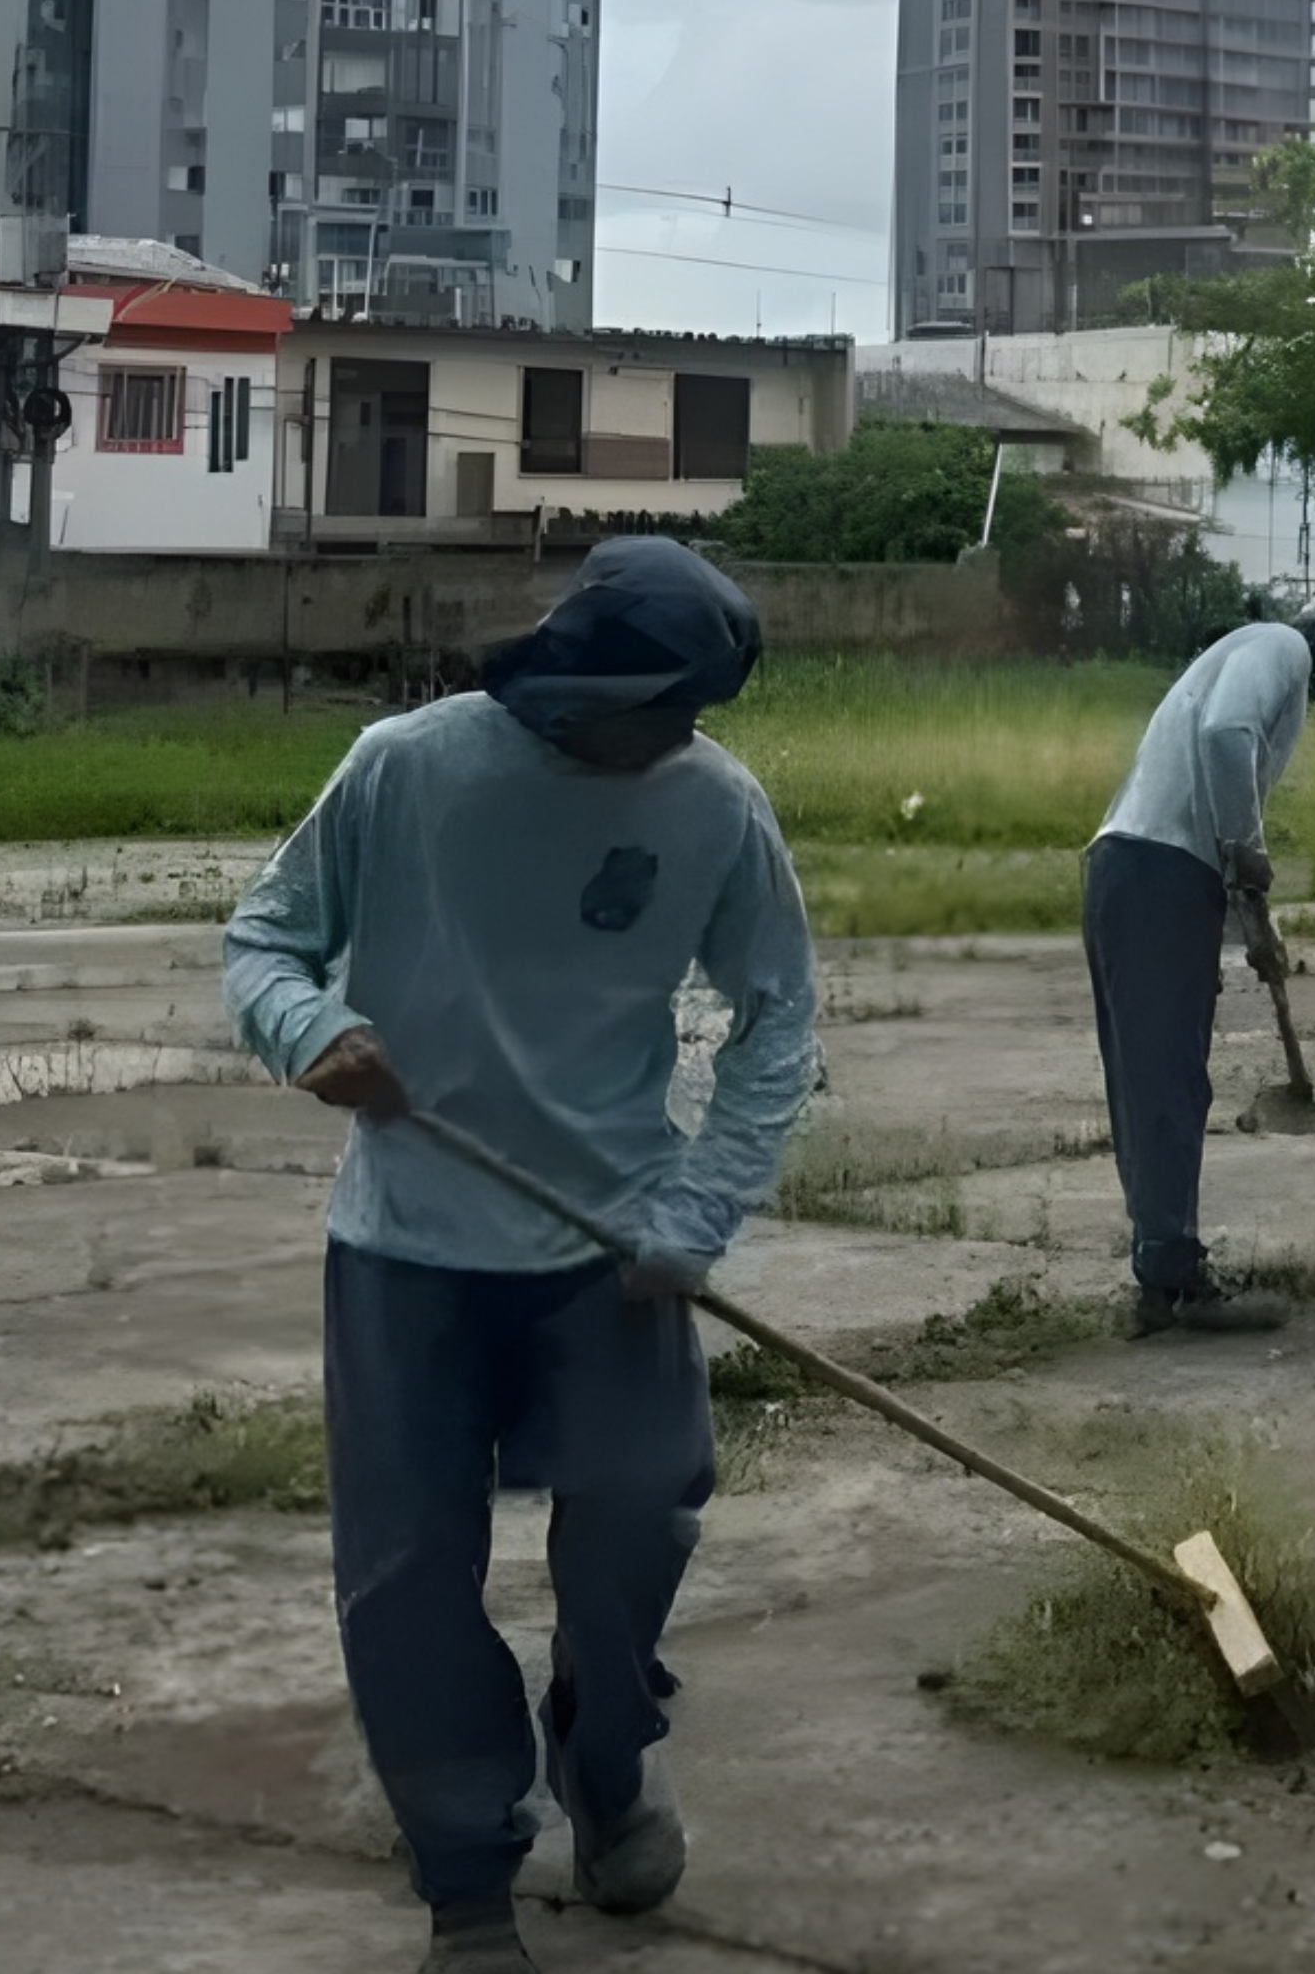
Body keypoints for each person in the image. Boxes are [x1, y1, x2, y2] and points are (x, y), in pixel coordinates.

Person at [225, 539, 819, 1974]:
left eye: (697, 713)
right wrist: (310, 1031)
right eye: (662, 708)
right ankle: (467, 1877)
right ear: (577, 683)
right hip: (409, 1249)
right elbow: (265, 942)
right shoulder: (406, 768)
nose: (678, 738)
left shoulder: (715, 806)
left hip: (612, 1254)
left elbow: (777, 1023)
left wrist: (698, 1217)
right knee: (410, 1571)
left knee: (633, 1519)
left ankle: (608, 1762)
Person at [1082, 589, 1315, 1336]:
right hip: (1160, 870)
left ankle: (1162, 1263)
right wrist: (1247, 854)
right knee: (1167, 1079)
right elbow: (1227, 738)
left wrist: (1251, 917)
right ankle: (1172, 1277)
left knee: (1155, 1078)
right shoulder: (1280, 649)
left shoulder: (1238, 655)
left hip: (1127, 866)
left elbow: (1220, 778)